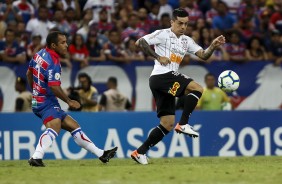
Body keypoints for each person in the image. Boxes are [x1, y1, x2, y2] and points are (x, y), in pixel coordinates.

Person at [131, 8, 225, 165]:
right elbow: (140, 42)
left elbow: (203, 55)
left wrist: (213, 46)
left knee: (167, 124)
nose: (183, 27)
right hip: (161, 76)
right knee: (198, 88)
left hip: (164, 82)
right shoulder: (162, 34)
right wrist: (157, 56)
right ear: (172, 22)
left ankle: (139, 152)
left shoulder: (186, 41)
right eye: (180, 23)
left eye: (186, 24)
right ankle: (184, 124)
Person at [26, 31, 117, 167]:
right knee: (54, 126)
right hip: (46, 101)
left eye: (66, 42)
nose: (66, 45)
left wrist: (35, 91)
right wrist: (69, 101)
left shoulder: (39, 54)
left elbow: (29, 73)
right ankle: (36, 157)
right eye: (62, 43)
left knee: (73, 126)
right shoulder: (54, 61)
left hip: (41, 99)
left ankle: (101, 154)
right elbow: (55, 87)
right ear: (53, 45)